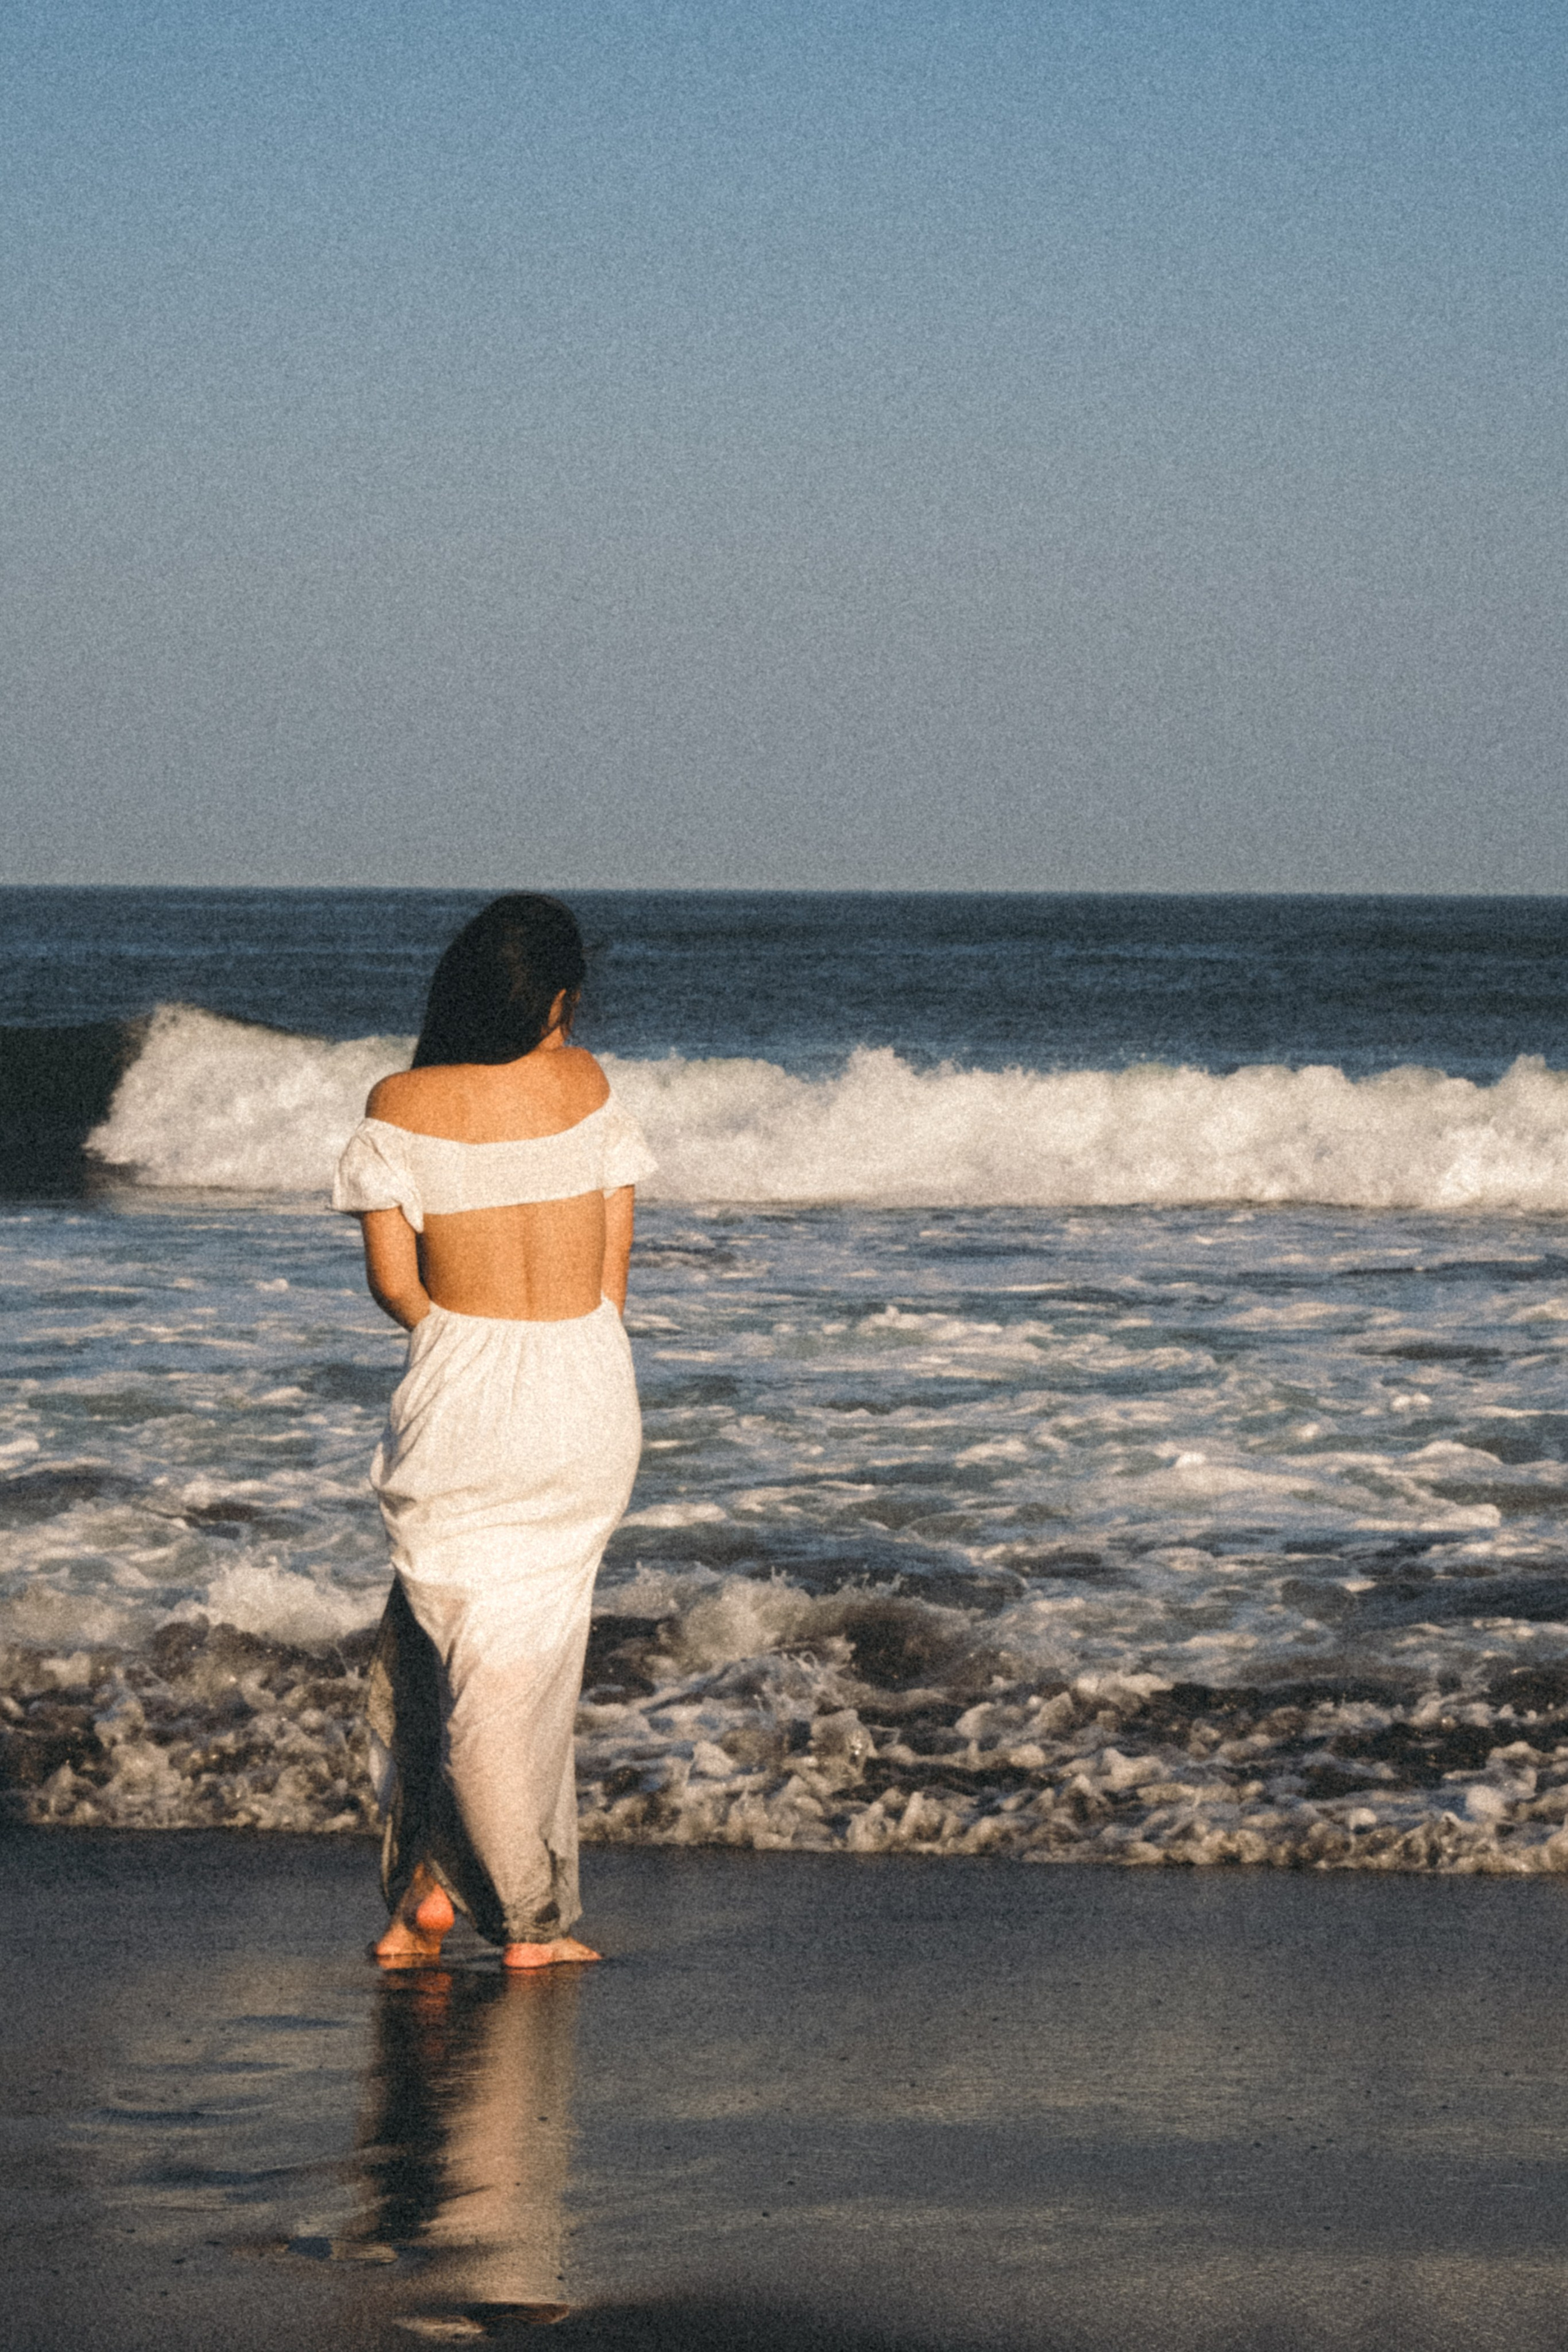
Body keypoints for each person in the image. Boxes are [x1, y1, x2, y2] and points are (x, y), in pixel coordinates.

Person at [333, 894, 655, 1969]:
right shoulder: (589, 1083)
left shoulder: (398, 1101)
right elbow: (614, 1276)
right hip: (583, 1383)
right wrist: (554, 1342)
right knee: (527, 1662)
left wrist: (462, 1345)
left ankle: (422, 1894)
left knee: (439, 1646)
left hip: (461, 1384)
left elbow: (395, 1287)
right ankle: (527, 1918)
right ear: (555, 996)